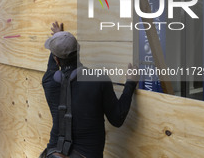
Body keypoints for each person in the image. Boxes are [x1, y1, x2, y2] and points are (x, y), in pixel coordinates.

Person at [42, 22, 138, 158]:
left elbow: (53, 61)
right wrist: (130, 83)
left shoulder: (49, 81)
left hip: (54, 153)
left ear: (56, 60)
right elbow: (117, 118)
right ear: (79, 50)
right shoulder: (98, 79)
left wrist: (58, 37)